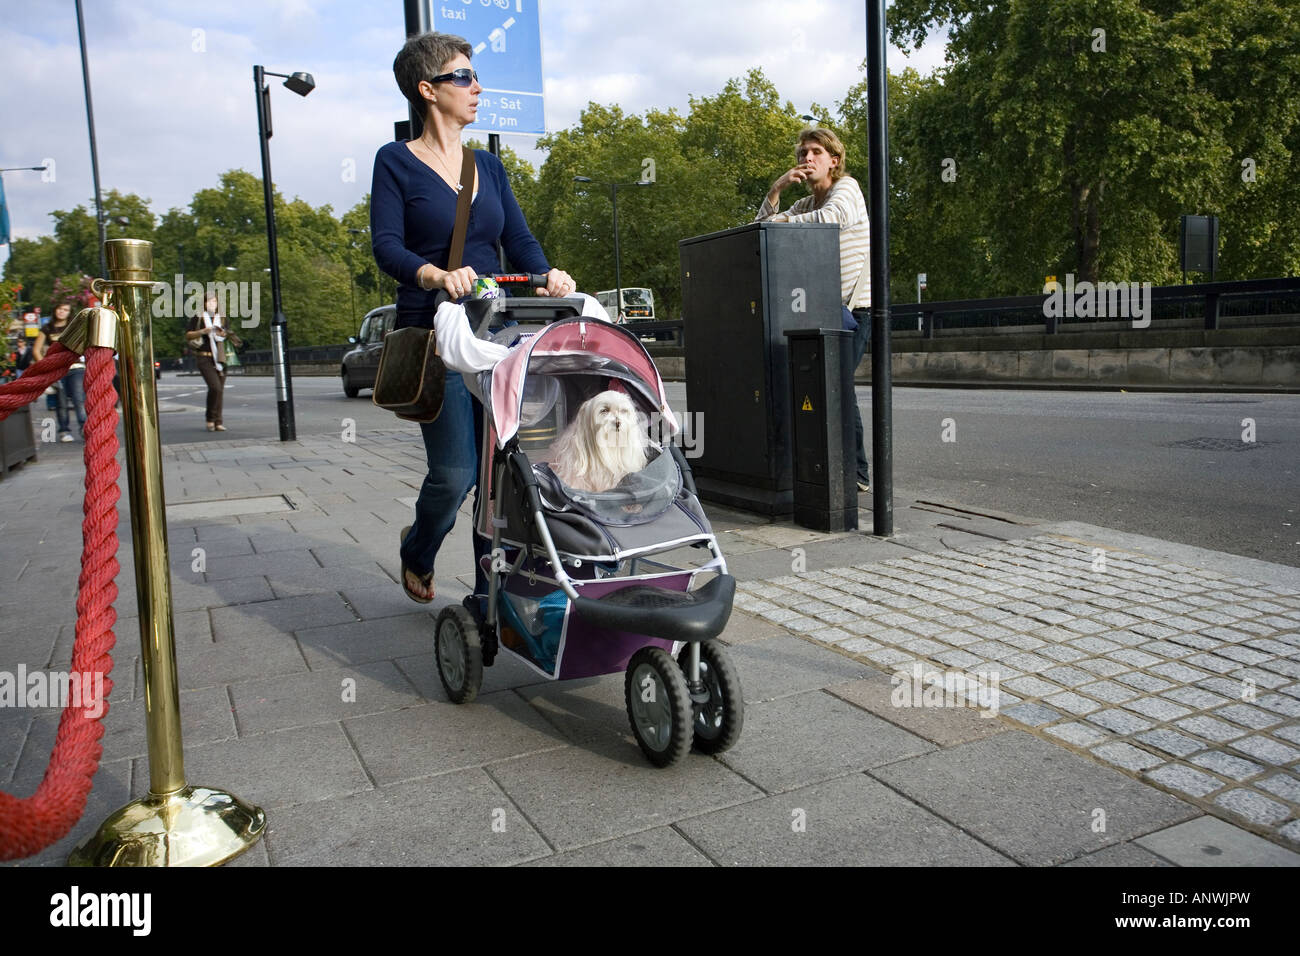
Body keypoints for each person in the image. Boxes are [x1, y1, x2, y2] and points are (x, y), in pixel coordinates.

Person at [371, 31, 575, 605]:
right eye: (463, 76)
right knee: (457, 473)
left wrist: (547, 273)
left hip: (497, 331)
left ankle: (491, 596)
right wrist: (435, 274)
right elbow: (386, 246)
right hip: (438, 332)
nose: (476, 87)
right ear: (427, 89)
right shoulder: (395, 162)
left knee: (502, 474)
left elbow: (518, 239)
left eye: (475, 76)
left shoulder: (488, 165)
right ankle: (419, 548)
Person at [755, 127, 871, 493]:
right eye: (803, 153)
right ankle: (822, 466)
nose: (807, 158)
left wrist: (784, 221)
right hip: (819, 310)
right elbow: (760, 232)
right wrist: (776, 190)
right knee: (818, 389)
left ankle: (857, 471)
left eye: (816, 152)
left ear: (834, 161)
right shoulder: (805, 205)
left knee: (837, 387)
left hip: (855, 309)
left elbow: (831, 219)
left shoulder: (846, 188)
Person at [184, 292, 241, 432]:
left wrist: (223, 334)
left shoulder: (222, 318)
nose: (212, 304)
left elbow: (227, 334)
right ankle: (210, 418)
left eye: (214, 301)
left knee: (219, 390)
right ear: (204, 303)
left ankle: (218, 422)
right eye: (209, 301)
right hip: (204, 357)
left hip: (221, 357)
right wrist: (203, 331)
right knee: (215, 387)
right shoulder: (198, 317)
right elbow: (188, 335)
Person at [33, 302, 85, 442]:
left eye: (65, 309)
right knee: (61, 402)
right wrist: (46, 367)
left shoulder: (75, 326)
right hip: (57, 370)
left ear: (69, 312)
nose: (62, 311)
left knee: (79, 399)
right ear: (55, 310)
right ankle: (64, 431)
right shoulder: (47, 328)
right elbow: (36, 350)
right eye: (60, 308)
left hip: (76, 368)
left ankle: (85, 428)